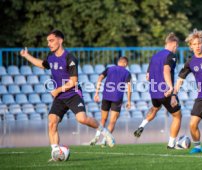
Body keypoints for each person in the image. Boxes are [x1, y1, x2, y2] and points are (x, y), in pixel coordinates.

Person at [19, 30, 115, 160]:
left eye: (51, 40)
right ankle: (55, 153)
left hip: (73, 94)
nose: (49, 44)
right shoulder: (51, 57)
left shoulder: (70, 58)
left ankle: (105, 132)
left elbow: (73, 81)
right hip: (60, 97)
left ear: (60, 40)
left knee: (82, 119)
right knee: (52, 122)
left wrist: (57, 90)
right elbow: (42, 65)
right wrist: (26, 56)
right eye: (47, 41)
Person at [133, 32, 182, 149]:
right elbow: (166, 70)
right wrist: (170, 87)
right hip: (165, 91)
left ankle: (142, 125)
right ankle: (171, 144)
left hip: (154, 91)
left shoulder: (155, 56)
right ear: (174, 44)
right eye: (177, 46)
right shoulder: (171, 56)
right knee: (177, 116)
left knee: (155, 108)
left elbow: (148, 76)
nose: (177, 49)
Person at [89, 57, 132, 146]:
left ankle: (96, 136)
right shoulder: (127, 73)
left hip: (106, 97)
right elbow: (129, 88)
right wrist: (129, 101)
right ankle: (104, 140)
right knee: (112, 121)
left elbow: (100, 77)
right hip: (117, 98)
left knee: (103, 119)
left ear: (118, 62)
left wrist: (96, 93)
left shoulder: (109, 69)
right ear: (125, 64)